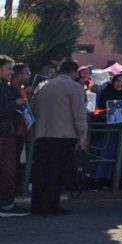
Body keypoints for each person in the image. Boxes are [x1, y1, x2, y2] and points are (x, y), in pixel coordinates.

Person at [29, 60, 87, 216]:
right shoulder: (75, 87)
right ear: (74, 72)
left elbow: (33, 108)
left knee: (41, 171)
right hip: (64, 135)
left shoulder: (42, 86)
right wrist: (82, 135)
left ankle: (37, 205)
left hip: (42, 134)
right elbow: (79, 114)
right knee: (56, 173)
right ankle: (51, 206)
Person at [0, 55, 28, 217]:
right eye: (8, 68)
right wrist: (15, 104)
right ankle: (6, 205)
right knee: (7, 170)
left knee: (8, 171)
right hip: (3, 135)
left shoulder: (9, 87)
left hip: (9, 134)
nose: (12, 72)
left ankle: (7, 204)